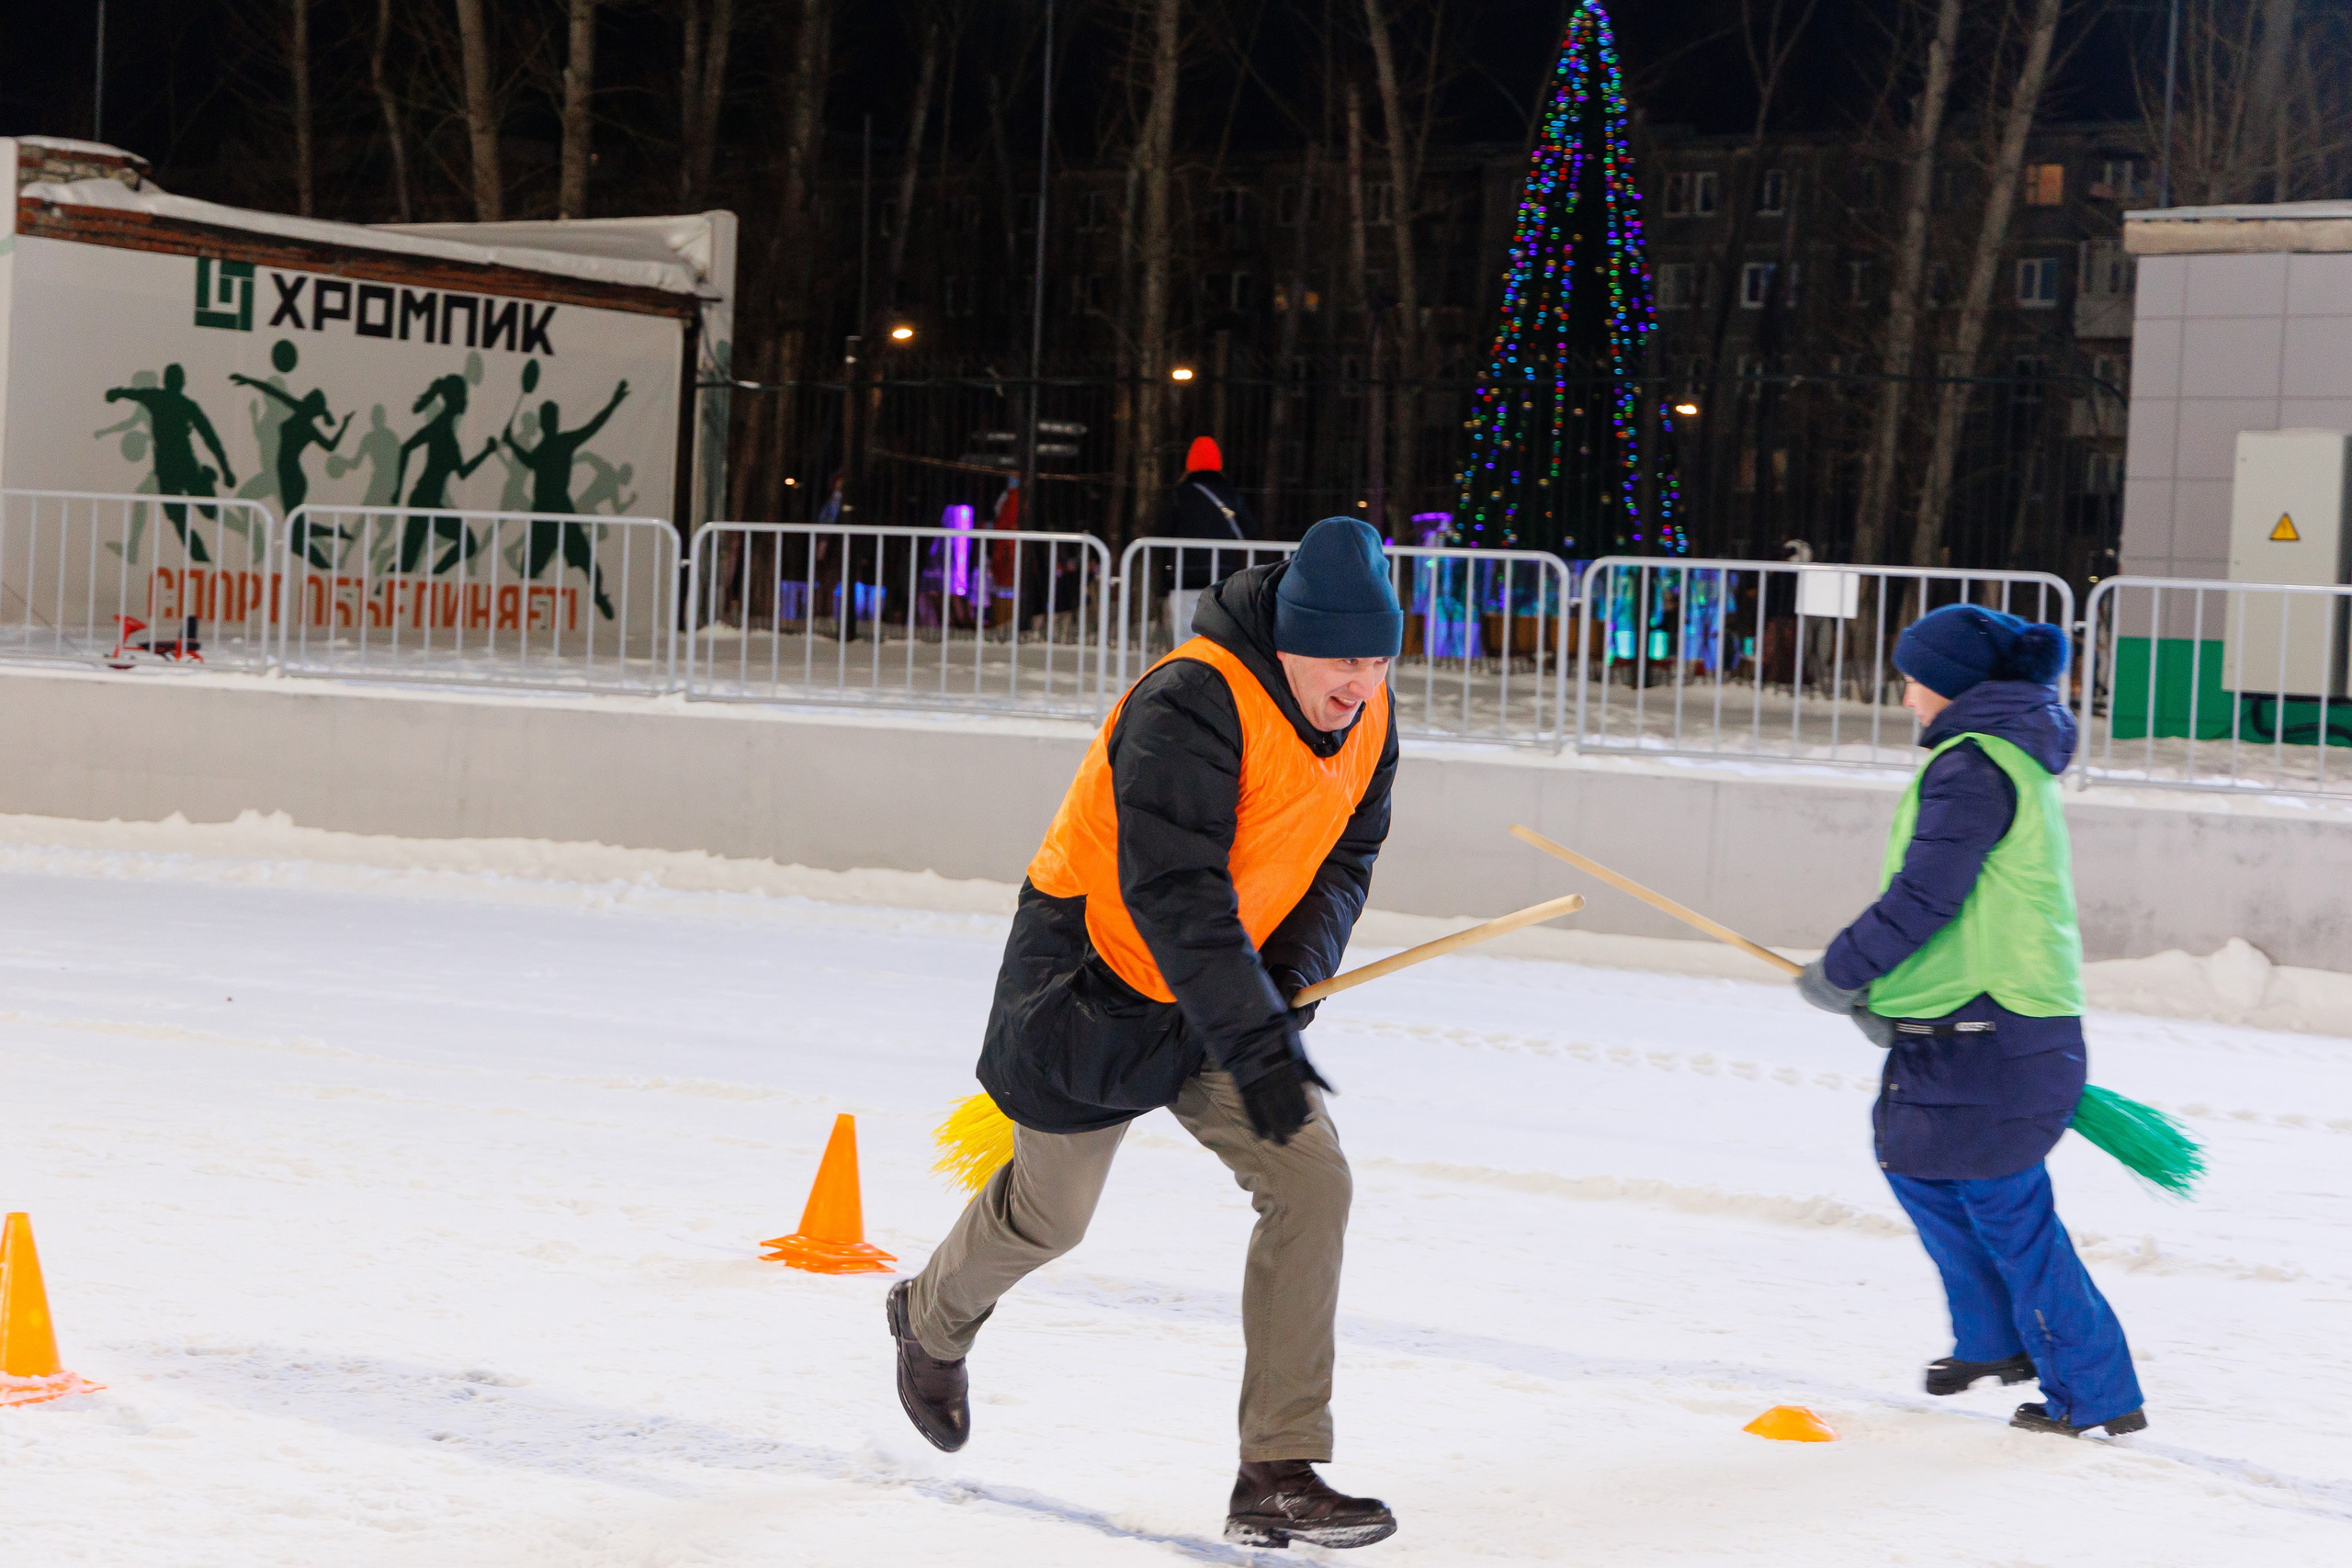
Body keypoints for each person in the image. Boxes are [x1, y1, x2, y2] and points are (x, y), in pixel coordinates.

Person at [888, 516, 1404, 1551]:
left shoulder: (1368, 717)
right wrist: (1257, 1034)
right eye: (1342, 660)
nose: (1361, 683)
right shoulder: (1191, 700)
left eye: (1378, 659)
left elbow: (1345, 859)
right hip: (1094, 983)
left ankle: (1277, 1471)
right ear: (1289, 642)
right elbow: (1172, 892)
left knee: (1312, 1181)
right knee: (1052, 1217)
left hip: (1223, 989)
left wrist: (1287, 977)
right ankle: (928, 1320)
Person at [1795, 604, 2147, 1439]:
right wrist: (1893, 999)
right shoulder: (1990, 756)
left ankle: (2094, 1390)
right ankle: (1994, 1338)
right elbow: (1965, 912)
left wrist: (1842, 972)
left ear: (1950, 684)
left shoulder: (1974, 765)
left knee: (2004, 1204)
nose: (1906, 695)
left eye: (1913, 679)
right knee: (1916, 1162)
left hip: (2001, 1024)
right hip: (1975, 1015)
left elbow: (1927, 896)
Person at [1159, 436, 1257, 646]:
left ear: (1189, 464)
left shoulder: (1179, 494)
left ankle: (1186, 667)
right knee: (1218, 639)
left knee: (1185, 637)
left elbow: (1163, 529)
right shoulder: (1230, 495)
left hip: (1185, 576)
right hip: (1222, 576)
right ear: (1218, 463)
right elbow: (1249, 528)